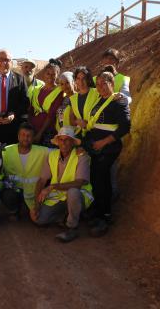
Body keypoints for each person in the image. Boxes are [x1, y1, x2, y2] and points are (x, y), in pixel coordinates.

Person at [84, 71, 130, 237]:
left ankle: (105, 217)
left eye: (104, 83)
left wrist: (103, 142)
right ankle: (98, 212)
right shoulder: (99, 101)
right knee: (96, 180)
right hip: (96, 148)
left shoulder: (119, 101)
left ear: (112, 83)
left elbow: (125, 127)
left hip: (108, 148)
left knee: (103, 182)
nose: (101, 87)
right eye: (98, 84)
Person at [35, 126, 93, 243]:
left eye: (67, 140)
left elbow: (80, 183)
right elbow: (41, 180)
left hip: (79, 195)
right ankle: (66, 214)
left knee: (73, 192)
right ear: (57, 142)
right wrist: (36, 205)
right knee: (40, 220)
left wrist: (52, 187)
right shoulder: (52, 156)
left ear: (72, 142)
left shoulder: (82, 156)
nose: (64, 143)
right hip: (60, 196)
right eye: (61, 139)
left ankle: (72, 227)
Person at [0, 123, 49, 221]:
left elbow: (59, 152)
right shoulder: (6, 151)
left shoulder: (42, 151)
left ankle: (29, 209)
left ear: (33, 137)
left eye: (29, 136)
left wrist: (77, 150)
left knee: (38, 219)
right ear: (18, 136)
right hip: (14, 189)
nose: (25, 138)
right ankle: (14, 211)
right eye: (23, 135)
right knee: (7, 195)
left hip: (33, 192)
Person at [28, 59, 64, 147]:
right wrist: (29, 127)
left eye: (53, 74)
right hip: (33, 128)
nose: (50, 76)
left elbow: (51, 115)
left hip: (48, 132)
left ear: (57, 75)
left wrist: (40, 134)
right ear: (44, 74)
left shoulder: (59, 91)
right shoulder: (37, 89)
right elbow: (32, 109)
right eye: (48, 73)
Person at [69, 66, 99, 137]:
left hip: (96, 133)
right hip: (81, 134)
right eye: (78, 79)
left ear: (88, 79)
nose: (81, 82)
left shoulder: (97, 93)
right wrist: (77, 121)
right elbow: (71, 120)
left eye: (84, 79)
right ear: (75, 80)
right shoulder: (73, 98)